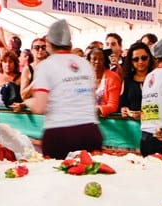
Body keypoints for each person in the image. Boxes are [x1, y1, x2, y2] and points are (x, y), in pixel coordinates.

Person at [16, 19, 101, 159]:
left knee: (58, 178)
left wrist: (27, 102)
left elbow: (40, 107)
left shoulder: (46, 66)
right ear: (70, 43)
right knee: (90, 176)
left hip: (61, 133)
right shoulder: (85, 64)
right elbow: (90, 99)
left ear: (49, 43)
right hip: (90, 131)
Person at [119, 41, 154, 120]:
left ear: (149, 58)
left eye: (144, 58)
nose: (140, 62)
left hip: (154, 126)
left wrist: (144, 115)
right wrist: (124, 110)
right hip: (132, 127)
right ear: (131, 61)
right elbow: (123, 103)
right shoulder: (127, 80)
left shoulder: (156, 77)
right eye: (136, 59)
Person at [88, 47, 122, 117]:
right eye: (94, 59)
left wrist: (97, 110)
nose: (97, 61)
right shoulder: (84, 78)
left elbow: (113, 106)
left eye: (100, 59)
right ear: (89, 61)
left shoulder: (113, 78)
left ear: (105, 61)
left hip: (107, 121)